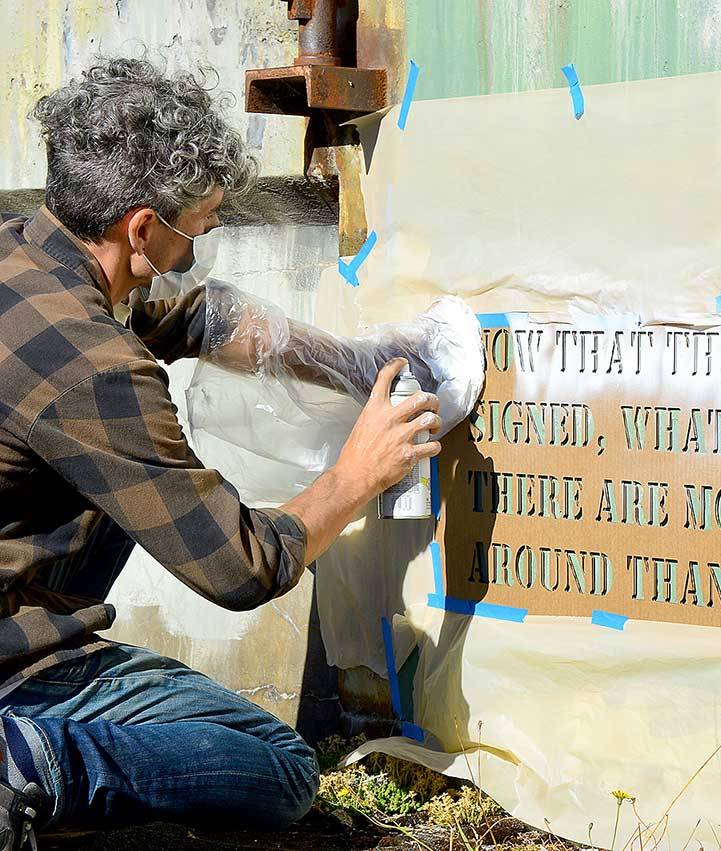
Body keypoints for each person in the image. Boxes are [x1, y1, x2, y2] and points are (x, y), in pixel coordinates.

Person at [0, 57, 446, 847]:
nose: (200, 245)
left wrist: (353, 361)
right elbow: (242, 567)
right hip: (10, 661)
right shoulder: (96, 370)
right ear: (142, 227)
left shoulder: (24, 260)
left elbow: (194, 318)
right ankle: (30, 760)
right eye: (198, 227)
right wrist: (356, 473)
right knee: (279, 766)